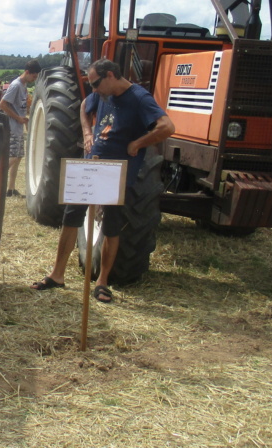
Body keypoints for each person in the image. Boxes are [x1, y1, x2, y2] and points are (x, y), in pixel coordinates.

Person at [30, 59, 175, 303]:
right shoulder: (101, 94)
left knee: (112, 226)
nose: (94, 89)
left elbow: (167, 127)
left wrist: (138, 144)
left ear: (110, 75)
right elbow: (86, 104)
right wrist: (87, 132)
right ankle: (57, 275)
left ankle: (102, 282)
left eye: (96, 83)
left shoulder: (139, 98)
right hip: (90, 166)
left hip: (116, 174)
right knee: (71, 217)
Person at [0, 60, 40, 197]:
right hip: (12, 127)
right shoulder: (16, 85)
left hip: (18, 127)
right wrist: (18, 118)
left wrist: (24, 119)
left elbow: (20, 107)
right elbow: (2, 105)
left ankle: (11, 189)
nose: (34, 80)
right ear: (27, 72)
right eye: (33, 76)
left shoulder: (24, 85)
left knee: (18, 157)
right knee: (13, 157)